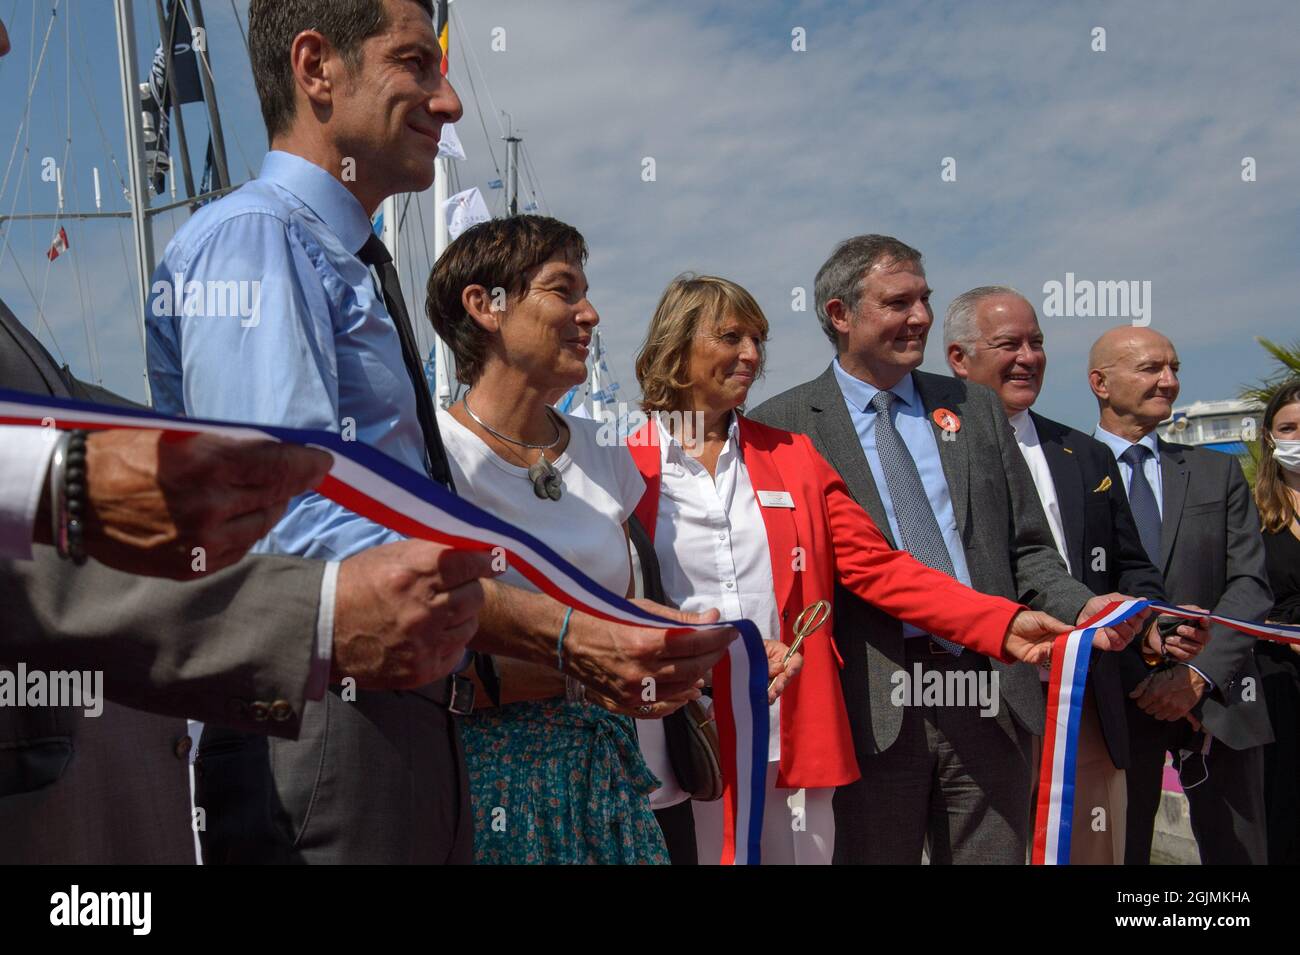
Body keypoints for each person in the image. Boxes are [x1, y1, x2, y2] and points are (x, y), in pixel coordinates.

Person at [144, 0, 731, 864]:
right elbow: (300, 537)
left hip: (397, 734)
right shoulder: (259, 244)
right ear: (317, 68)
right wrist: (571, 633)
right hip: (327, 735)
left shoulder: (337, 260)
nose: (448, 101)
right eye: (415, 63)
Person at [630, 274, 1136, 865]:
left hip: (787, 731)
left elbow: (881, 569)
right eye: (731, 337)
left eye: (758, 339)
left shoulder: (791, 455)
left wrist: (1003, 624)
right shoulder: (620, 462)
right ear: (677, 344)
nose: (752, 355)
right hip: (674, 729)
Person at [423, 218, 800, 864]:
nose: (590, 313)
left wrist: (710, 644)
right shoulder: (429, 453)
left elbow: (622, 610)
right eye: (563, 290)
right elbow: (419, 622)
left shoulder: (604, 453)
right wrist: (577, 667)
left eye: (586, 292)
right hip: (483, 774)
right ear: (485, 306)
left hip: (610, 773)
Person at [944, 285, 1209, 864]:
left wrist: (1151, 625)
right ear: (959, 359)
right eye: (1008, 343)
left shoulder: (1082, 453)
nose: (1028, 357)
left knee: (1090, 849)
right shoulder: (930, 451)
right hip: (974, 699)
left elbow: (1132, 565)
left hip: (1084, 701)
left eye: (1036, 343)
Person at [1089, 326, 1274, 864]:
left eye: (1174, 368)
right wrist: (1144, 672)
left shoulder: (1217, 473)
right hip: (1116, 706)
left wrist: (1195, 676)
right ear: (1100, 382)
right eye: (1151, 368)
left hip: (1220, 700)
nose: (1169, 381)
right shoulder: (1067, 471)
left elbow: (1249, 583)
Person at [1251, 379, 1300, 863]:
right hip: (1279, 683)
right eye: (1288, 428)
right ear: (1269, 438)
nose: (1298, 438)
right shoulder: (1252, 513)